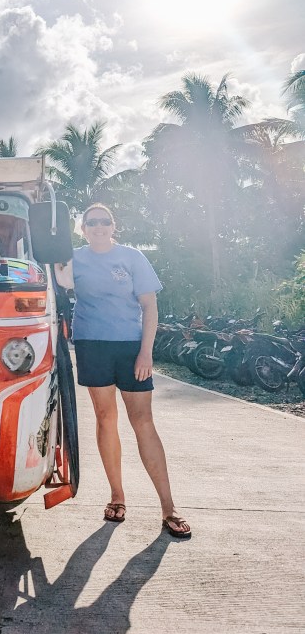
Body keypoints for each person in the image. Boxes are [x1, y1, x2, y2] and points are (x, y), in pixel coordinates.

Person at [59, 203, 191, 539]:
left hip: (131, 347)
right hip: (92, 345)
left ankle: (168, 507)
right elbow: (56, 280)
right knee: (106, 419)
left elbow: (150, 306)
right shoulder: (73, 257)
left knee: (143, 422)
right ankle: (117, 496)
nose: (99, 227)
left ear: (113, 225)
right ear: (83, 228)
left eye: (104, 222)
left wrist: (146, 352)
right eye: (92, 223)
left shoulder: (132, 257)